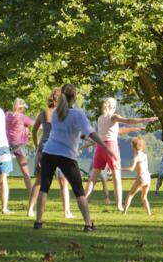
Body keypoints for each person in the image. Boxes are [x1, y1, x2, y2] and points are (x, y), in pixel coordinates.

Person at [35, 84, 116, 231]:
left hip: (49, 152)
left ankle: (38, 222)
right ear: (75, 96)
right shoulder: (77, 114)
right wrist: (104, 146)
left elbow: (71, 131)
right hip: (66, 155)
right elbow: (90, 132)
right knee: (79, 191)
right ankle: (88, 224)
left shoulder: (56, 113)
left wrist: (86, 138)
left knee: (44, 188)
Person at [85, 97, 157, 212]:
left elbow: (117, 131)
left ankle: (85, 201)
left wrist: (135, 129)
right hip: (111, 147)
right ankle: (119, 205)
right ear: (113, 106)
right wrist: (146, 119)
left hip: (99, 147)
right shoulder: (113, 117)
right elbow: (128, 121)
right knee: (117, 178)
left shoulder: (100, 118)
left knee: (93, 178)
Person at [28, 88, 74, 218]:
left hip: (44, 147)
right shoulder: (62, 114)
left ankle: (30, 210)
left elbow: (34, 130)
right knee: (63, 182)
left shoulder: (44, 113)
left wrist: (37, 145)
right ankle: (67, 212)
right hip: (59, 148)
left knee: (39, 181)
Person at [3, 98, 35, 196]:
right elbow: (36, 125)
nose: (24, 110)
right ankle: (31, 193)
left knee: (3, 170)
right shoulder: (22, 117)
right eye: (24, 108)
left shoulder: (7, 115)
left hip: (7, 143)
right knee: (25, 170)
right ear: (21, 107)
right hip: (17, 145)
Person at [123, 137, 152, 215]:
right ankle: (149, 213)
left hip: (141, 178)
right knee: (144, 197)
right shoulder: (145, 155)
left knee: (130, 195)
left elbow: (131, 169)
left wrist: (119, 169)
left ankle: (124, 212)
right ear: (142, 146)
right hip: (148, 178)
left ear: (133, 147)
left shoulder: (136, 157)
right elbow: (140, 166)